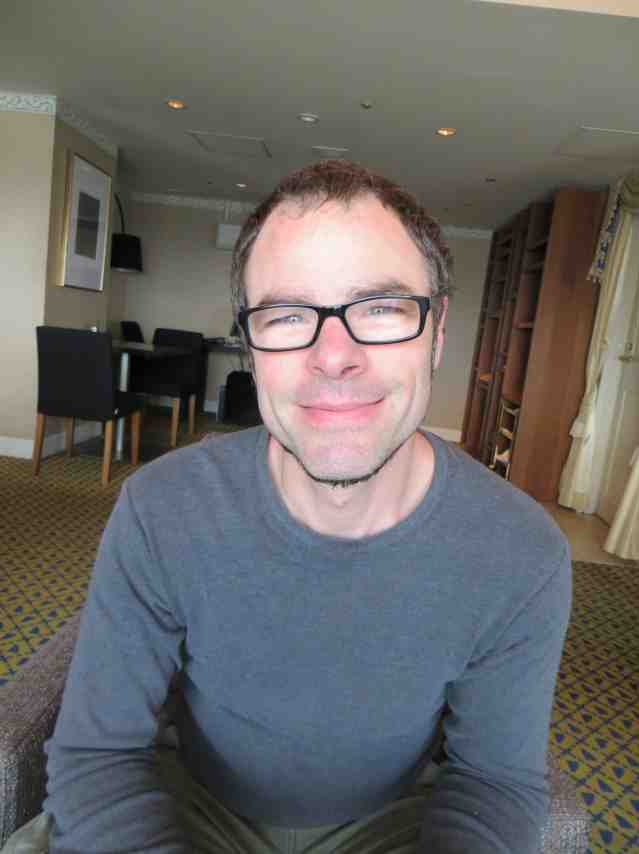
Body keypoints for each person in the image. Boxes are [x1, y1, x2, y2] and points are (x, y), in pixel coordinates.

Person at [18, 161, 571, 854]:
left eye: (380, 308)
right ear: (250, 347)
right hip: (189, 806)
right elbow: (98, 756)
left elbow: (494, 785)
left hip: (395, 825)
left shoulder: (520, 550)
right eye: (286, 316)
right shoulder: (162, 507)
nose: (333, 356)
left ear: (436, 333)